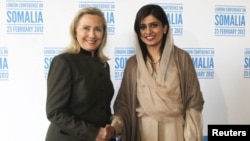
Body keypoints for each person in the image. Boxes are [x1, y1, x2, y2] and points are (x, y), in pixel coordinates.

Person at [111, 4, 205, 141]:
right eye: (143, 27)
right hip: (143, 131)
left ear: (165, 28)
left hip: (175, 131)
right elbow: (124, 104)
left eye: (154, 25)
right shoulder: (133, 64)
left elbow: (193, 101)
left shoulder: (182, 58)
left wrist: (191, 137)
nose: (148, 31)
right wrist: (115, 127)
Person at [45, 7, 116, 141]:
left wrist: (111, 128)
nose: (92, 35)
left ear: (103, 34)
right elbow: (55, 112)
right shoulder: (64, 62)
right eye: (86, 28)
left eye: (98, 29)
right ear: (75, 31)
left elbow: (100, 109)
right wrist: (93, 132)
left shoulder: (104, 65)